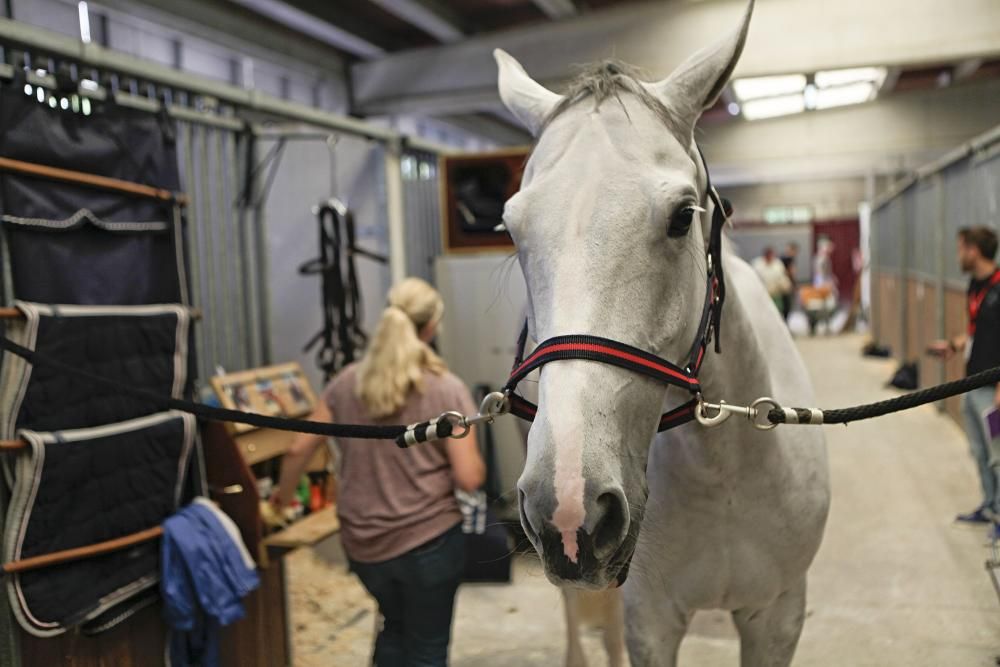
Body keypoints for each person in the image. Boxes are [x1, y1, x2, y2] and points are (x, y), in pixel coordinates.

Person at [272, 277, 485, 666]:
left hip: (365, 545)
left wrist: (282, 500)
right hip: (429, 542)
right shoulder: (445, 389)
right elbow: (468, 478)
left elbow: (298, 448)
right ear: (431, 328)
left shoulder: (345, 383)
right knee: (427, 647)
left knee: (394, 628)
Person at [929, 227, 1000, 535]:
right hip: (971, 383)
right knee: (979, 452)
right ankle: (990, 506)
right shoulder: (975, 285)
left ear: (974, 250)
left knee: (998, 455)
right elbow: (977, 331)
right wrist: (955, 345)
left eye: (961, 249)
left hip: (993, 389)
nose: (958, 255)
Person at [752, 246, 791, 311]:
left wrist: (787, 286)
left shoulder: (778, 264)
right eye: (768, 255)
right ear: (765, 255)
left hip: (776, 296)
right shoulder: (757, 264)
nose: (770, 257)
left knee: (778, 312)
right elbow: (753, 280)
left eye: (771, 255)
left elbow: (782, 278)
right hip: (761, 297)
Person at [778, 242, 799, 321]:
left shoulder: (781, 258)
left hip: (781, 284)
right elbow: (791, 272)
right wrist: (794, 284)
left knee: (784, 304)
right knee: (787, 304)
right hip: (786, 285)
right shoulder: (789, 259)